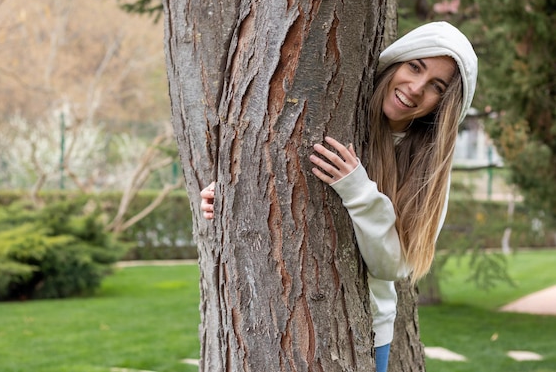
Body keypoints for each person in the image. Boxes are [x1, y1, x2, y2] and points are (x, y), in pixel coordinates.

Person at [200, 21, 478, 372]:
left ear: (444, 104)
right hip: (268, 320)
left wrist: (358, 190)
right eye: (415, 67)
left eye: (436, 86)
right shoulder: (342, 110)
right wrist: (230, 198)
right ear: (397, 61)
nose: (416, 88)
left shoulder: (428, 167)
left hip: (364, 331)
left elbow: (393, 265)